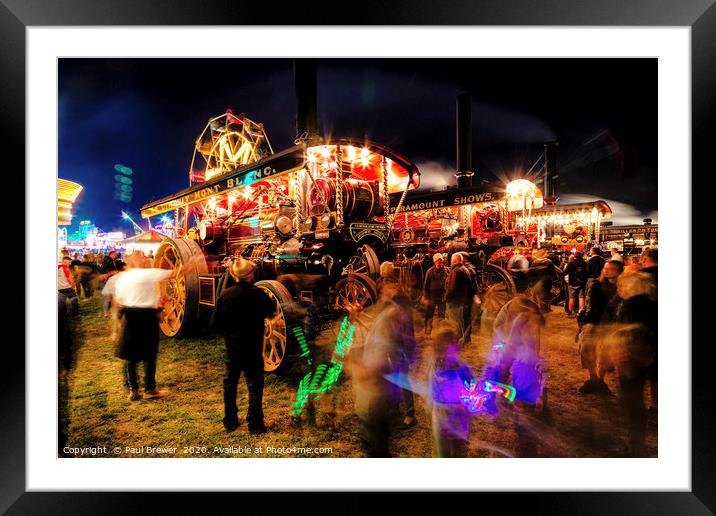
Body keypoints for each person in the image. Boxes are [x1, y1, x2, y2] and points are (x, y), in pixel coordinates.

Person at [350, 272, 415, 457]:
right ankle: (394, 412)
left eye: (387, 286)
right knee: (394, 384)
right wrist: (359, 317)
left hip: (396, 353)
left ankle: (410, 414)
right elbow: (376, 326)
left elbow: (397, 331)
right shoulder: (386, 307)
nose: (384, 290)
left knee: (402, 382)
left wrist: (349, 362)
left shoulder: (398, 306)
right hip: (390, 355)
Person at [211, 256, 276, 433]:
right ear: (250, 275)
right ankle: (255, 424)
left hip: (232, 346)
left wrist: (229, 334)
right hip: (252, 346)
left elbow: (216, 324)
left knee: (230, 382)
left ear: (234, 274)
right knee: (255, 383)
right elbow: (271, 311)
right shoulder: (258, 293)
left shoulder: (225, 295)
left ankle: (230, 420)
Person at [598, 271, 657, 456]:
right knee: (635, 402)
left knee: (633, 403)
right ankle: (636, 443)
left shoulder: (633, 304)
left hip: (631, 360)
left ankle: (635, 447)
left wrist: (618, 349)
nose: (619, 288)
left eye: (622, 286)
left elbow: (630, 331)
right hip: (645, 357)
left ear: (632, 286)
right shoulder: (651, 302)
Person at [113, 252, 172, 401]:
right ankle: (150, 389)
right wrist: (194, 262)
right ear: (136, 261)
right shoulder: (146, 274)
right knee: (150, 354)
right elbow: (177, 272)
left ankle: (134, 390)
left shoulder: (122, 278)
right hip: (146, 317)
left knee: (131, 356)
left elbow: (118, 300)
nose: (145, 258)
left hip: (129, 317)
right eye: (142, 256)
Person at [377, 261, 417, 429]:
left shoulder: (401, 296)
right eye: (383, 280)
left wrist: (409, 348)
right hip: (387, 342)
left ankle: (410, 414)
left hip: (399, 343)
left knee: (403, 378)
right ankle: (394, 409)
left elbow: (407, 322)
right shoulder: (384, 293)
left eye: (386, 279)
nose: (384, 284)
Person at [577, 259, 624, 394]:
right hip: (594, 321)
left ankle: (599, 380)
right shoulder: (597, 284)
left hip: (612, 324)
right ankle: (593, 377)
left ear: (619, 271)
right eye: (605, 268)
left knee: (605, 353)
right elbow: (591, 305)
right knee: (586, 347)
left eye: (611, 268)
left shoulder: (623, 286)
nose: (607, 271)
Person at [429, 320, 474, 457]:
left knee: (458, 452)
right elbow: (434, 394)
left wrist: (466, 403)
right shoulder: (435, 369)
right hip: (442, 422)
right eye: (443, 351)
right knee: (443, 453)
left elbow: (471, 388)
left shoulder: (463, 369)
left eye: (452, 349)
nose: (449, 356)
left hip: (458, 422)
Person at [444, 253, 472, 345]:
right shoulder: (465, 269)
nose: (451, 262)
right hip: (463, 300)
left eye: (451, 260)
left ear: (454, 261)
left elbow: (452, 288)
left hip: (455, 301)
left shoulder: (456, 271)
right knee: (462, 321)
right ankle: (465, 340)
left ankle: (457, 341)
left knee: (455, 322)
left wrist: (446, 298)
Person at [422, 253, 448, 337]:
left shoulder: (447, 270)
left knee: (442, 315)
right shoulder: (429, 271)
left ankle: (441, 333)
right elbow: (425, 286)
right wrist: (426, 297)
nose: (439, 262)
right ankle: (427, 332)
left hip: (442, 297)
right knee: (429, 315)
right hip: (431, 297)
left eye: (440, 261)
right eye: (437, 261)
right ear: (434, 262)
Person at [563, 251, 588, 316]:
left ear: (574, 256)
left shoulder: (571, 263)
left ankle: (570, 312)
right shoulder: (584, 263)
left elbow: (565, 272)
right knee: (581, 298)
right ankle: (581, 312)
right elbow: (587, 273)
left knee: (571, 298)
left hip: (572, 283)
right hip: (582, 283)